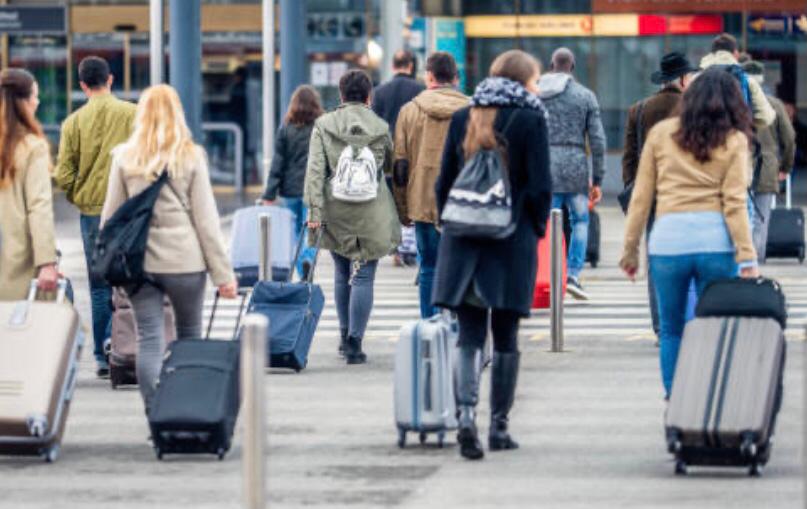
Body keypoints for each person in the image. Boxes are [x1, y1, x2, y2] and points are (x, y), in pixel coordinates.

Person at [434, 50, 552, 460]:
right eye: (535, 81)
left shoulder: (464, 117)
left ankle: (466, 417)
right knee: (505, 338)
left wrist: (450, 225)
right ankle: (499, 427)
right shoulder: (532, 119)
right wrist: (534, 228)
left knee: (468, 336)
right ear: (523, 83)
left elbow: (444, 182)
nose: (538, 88)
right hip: (510, 240)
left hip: (464, 240)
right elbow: (540, 187)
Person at [620, 68, 759, 399]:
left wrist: (630, 250)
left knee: (670, 329)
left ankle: (676, 400)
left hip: (668, 242)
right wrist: (747, 256)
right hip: (716, 242)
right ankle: (708, 397)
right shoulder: (735, 140)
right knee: (713, 325)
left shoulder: (662, 134)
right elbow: (735, 203)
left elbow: (641, 196)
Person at [100, 85, 237, 413]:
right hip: (184, 262)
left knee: (149, 338)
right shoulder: (191, 156)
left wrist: (108, 263)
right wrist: (223, 275)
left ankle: (155, 412)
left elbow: (110, 218)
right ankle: (186, 410)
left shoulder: (124, 157)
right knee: (189, 337)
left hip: (139, 263)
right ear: (178, 114)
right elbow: (206, 221)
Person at [304, 69, 401, 365]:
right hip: (371, 208)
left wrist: (315, 213)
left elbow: (316, 173)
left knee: (341, 271)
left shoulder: (323, 125)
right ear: (369, 95)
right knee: (364, 275)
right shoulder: (381, 126)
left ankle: (344, 335)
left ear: (341, 95)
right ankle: (355, 342)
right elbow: (389, 167)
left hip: (336, 209)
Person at [54, 56, 136, 378]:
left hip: (91, 214)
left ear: (83, 85)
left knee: (99, 285)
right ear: (111, 80)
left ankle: (102, 358)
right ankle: (123, 347)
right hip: (127, 211)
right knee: (129, 282)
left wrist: (79, 195)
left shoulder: (72, 123)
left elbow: (63, 173)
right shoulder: (132, 114)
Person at [622, 52, 698, 341]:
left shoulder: (639, 110)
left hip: (653, 197)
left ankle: (662, 325)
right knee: (691, 258)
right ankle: (690, 322)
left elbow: (629, 158)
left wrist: (634, 189)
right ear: (680, 79)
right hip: (689, 195)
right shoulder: (694, 108)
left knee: (657, 263)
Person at [393, 52, 468, 318]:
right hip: (464, 203)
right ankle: (459, 327)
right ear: (455, 78)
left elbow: (400, 166)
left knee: (428, 268)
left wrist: (403, 210)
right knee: (461, 268)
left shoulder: (409, 111)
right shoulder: (472, 110)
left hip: (422, 200)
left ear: (429, 76)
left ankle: (429, 326)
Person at [538, 48, 606, 301]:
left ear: (551, 65)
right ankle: (573, 275)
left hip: (545, 165)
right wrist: (597, 178)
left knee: (545, 223)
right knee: (580, 221)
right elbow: (598, 141)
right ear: (573, 67)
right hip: (576, 165)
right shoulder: (585, 96)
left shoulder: (538, 94)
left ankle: (544, 272)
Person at [0, 69, 59, 301]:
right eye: (34, 95)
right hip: (15, 259)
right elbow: (39, 206)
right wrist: (47, 261)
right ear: (22, 102)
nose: (38, 101)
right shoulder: (32, 147)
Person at [262, 85, 324, 278]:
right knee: (312, 230)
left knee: (294, 231)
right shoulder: (322, 127)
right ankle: (308, 259)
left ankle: (301, 266)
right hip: (314, 190)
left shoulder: (286, 128)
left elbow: (278, 163)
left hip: (290, 190)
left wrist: (269, 194)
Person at [742, 60, 796, 262]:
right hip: (768, 168)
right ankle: (757, 262)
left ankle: (744, 261)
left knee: (742, 216)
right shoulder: (774, 104)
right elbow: (789, 138)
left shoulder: (736, 104)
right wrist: (786, 167)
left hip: (741, 167)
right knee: (760, 218)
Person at [699, 33, 775, 129]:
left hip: (704, 139)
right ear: (736, 53)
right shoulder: (747, 80)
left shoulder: (697, 79)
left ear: (711, 54)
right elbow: (766, 118)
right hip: (736, 138)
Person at [371, 50, 425, 135]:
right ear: (410, 66)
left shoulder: (378, 92)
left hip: (388, 145)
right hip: (412, 144)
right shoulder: (421, 90)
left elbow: (374, 125)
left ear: (392, 66)